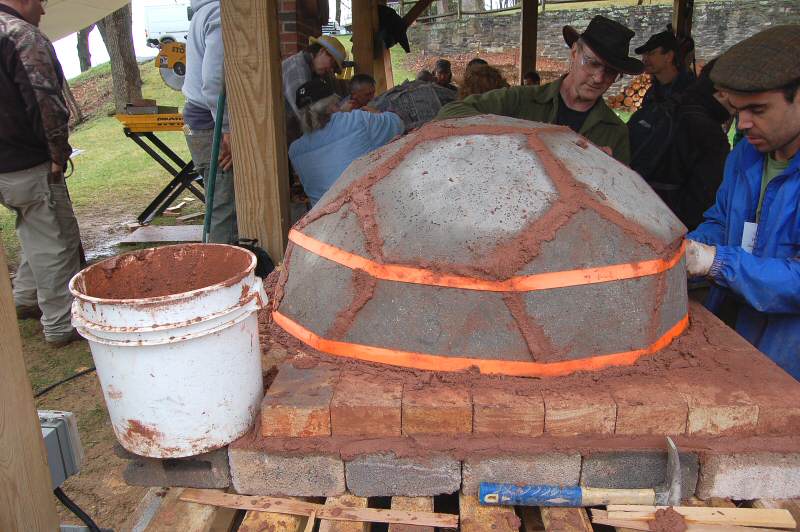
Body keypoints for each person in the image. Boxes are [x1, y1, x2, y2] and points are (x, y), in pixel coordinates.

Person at [686, 25, 800, 379]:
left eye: (758, 110)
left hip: (788, 361)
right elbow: (722, 221)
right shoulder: (745, 157)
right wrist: (692, 247)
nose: (743, 123)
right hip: (734, 338)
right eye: (737, 110)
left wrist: (717, 262)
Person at [437, 15, 643, 163]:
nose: (599, 78)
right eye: (592, 63)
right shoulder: (521, 99)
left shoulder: (615, 132)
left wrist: (605, 171)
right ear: (574, 54)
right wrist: (525, 135)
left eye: (611, 72)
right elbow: (450, 113)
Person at [0, 0, 82, 346]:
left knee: (33, 226)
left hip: (6, 165)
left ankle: (25, 297)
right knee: (55, 242)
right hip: (26, 159)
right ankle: (62, 324)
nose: (43, 11)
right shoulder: (19, 34)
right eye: (41, 1)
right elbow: (45, 100)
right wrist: (57, 153)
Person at [644, 60, 733, 231]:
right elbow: (704, 201)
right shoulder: (711, 135)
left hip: (639, 213)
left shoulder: (668, 107)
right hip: (673, 229)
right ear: (723, 92)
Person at [289, 79, 404, 206]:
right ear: (332, 105)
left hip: (326, 220)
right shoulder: (357, 120)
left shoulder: (294, 151)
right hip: (367, 208)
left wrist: (341, 114)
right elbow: (397, 124)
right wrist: (376, 113)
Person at [183, 0, 236, 244]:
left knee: (221, 204)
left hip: (205, 118)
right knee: (222, 209)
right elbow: (214, 80)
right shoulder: (218, 12)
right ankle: (220, 275)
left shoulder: (206, 10)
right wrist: (225, 128)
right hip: (210, 122)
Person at [282, 35, 348, 132]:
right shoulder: (296, 70)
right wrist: (340, 112)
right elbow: (307, 117)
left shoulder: (311, 69)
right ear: (322, 52)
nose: (330, 69)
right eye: (332, 63)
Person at [635, 28, 694, 109]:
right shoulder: (651, 93)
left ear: (669, 56)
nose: (644, 59)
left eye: (651, 53)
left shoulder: (690, 92)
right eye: (644, 55)